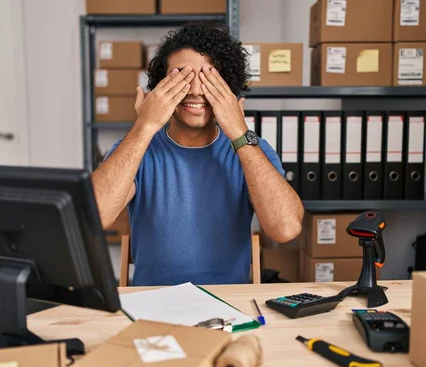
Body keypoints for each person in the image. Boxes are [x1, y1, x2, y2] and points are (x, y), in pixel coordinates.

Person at [91, 22, 304, 286]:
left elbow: (286, 229)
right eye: (181, 78)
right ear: (160, 89)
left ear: (229, 89)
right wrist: (144, 126)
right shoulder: (136, 147)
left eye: (208, 79)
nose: (194, 91)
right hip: (153, 306)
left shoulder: (252, 150)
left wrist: (239, 132)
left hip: (229, 308)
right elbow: (93, 218)